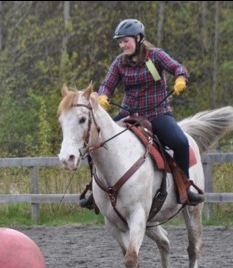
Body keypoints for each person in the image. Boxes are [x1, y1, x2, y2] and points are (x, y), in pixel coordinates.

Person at [79, 19, 204, 209]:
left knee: (180, 142)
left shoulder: (156, 56)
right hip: (128, 114)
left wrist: (180, 79)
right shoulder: (119, 62)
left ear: (138, 38)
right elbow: (107, 84)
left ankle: (184, 187)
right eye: (120, 42)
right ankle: (95, 191)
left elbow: (179, 68)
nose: (122, 45)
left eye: (125, 41)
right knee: (94, 141)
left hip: (157, 113)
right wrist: (103, 95)